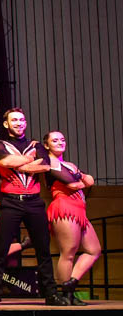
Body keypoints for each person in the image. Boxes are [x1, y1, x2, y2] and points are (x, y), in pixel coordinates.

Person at [0, 108, 67, 306]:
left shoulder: (36, 145)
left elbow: (45, 166)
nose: (19, 123)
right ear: (6, 124)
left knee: (43, 250)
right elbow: (4, 161)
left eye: (21, 120)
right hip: (10, 202)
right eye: (14, 120)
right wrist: (31, 160)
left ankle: (51, 294)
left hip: (34, 202)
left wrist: (17, 164)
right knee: (0, 250)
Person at [43, 131, 100, 305]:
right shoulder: (49, 163)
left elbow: (90, 181)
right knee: (68, 252)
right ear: (46, 145)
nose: (60, 142)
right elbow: (74, 184)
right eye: (55, 140)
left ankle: (71, 283)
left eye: (62, 139)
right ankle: (67, 294)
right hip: (65, 207)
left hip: (79, 209)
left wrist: (79, 178)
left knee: (94, 250)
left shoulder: (69, 164)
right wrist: (80, 178)